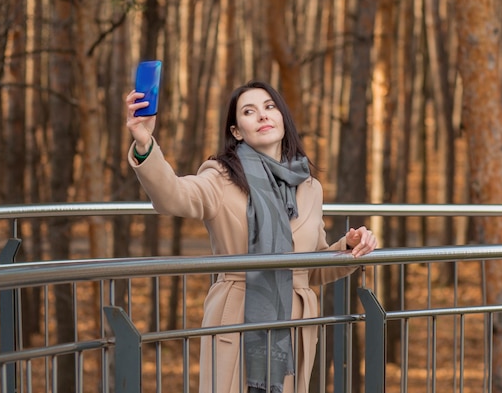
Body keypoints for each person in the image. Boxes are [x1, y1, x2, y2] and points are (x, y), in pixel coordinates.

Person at [125, 80, 377, 393]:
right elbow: (173, 196)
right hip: (236, 315)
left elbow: (311, 269)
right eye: (249, 111)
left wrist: (348, 247)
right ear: (237, 132)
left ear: (283, 119)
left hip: (293, 326)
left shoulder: (310, 187)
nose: (262, 115)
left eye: (270, 107)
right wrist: (145, 143)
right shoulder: (219, 176)